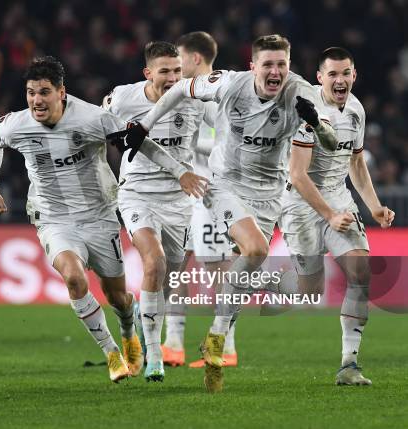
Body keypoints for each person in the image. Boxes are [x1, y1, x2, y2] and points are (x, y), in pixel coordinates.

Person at [121, 34, 338, 392]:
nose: (275, 71)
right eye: (267, 64)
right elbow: (180, 90)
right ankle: (198, 340)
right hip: (225, 184)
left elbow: (329, 141)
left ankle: (217, 340)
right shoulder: (229, 83)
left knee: (243, 272)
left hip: (270, 194)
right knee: (254, 251)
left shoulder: (302, 93)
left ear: (289, 65)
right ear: (253, 66)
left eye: (281, 64)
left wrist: (317, 123)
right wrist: (146, 124)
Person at [0, 56, 206, 383]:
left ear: (62, 92)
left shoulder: (92, 118)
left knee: (118, 296)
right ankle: (111, 352)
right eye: (30, 93)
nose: (36, 101)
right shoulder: (16, 124)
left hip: (99, 214)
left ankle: (129, 332)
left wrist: (180, 172)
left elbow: (140, 142)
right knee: (73, 277)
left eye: (44, 92)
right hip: (53, 217)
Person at [279, 47, 394, 386]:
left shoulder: (356, 109)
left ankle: (349, 364)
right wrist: (328, 215)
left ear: (354, 75)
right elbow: (298, 175)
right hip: (300, 204)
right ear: (320, 78)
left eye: (346, 73)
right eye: (333, 74)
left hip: (338, 200)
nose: (340, 80)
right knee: (310, 289)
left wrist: (372, 205)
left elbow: (356, 163)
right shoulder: (307, 111)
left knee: (361, 270)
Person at [103, 41, 216, 380]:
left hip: (180, 200)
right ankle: (154, 355)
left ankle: (145, 313)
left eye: (177, 70)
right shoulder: (124, 98)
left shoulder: (195, 101)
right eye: (164, 71)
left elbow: (226, 127)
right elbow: (108, 130)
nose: (172, 77)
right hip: (137, 193)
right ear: (148, 73)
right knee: (155, 261)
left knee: (168, 276)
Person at [172, 31, 238, 369]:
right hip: (187, 196)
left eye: (179, 57)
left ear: (196, 58)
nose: (175, 64)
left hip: (213, 194)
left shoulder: (219, 93)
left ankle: (226, 346)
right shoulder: (185, 92)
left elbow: (227, 143)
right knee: (176, 265)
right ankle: (173, 343)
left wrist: (190, 143)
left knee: (219, 270)